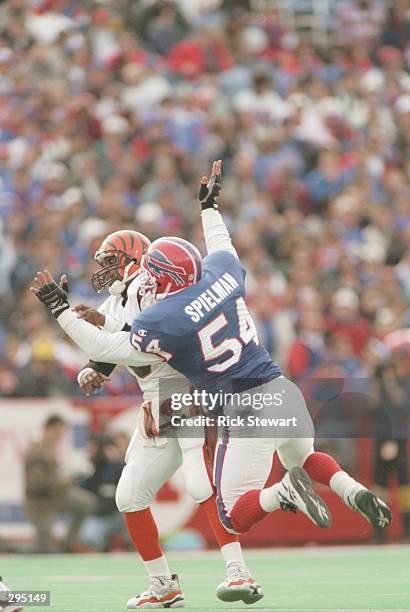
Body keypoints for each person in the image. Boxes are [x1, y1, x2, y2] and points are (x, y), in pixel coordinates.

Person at [31, 162, 391, 543]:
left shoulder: (166, 319)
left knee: (233, 514)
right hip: (280, 389)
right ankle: (351, 490)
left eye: (153, 273)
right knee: (302, 455)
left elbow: (105, 346)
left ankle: (282, 493)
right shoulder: (222, 274)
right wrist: (209, 208)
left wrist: (60, 311)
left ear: (164, 277)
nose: (147, 279)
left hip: (244, 408)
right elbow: (222, 245)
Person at [72, 227, 263, 605]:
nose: (105, 271)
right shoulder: (115, 302)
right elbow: (108, 354)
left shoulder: (159, 291)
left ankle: (238, 570)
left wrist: (84, 323)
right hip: (155, 405)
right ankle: (163, 584)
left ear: (135, 260)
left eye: (111, 262)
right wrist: (92, 370)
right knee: (129, 496)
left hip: (185, 395)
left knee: (198, 483)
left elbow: (145, 347)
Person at [23, 415, 97, 553]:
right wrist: (64, 480)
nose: (60, 436)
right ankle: (61, 546)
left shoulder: (48, 448)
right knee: (44, 549)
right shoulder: (38, 450)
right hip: (41, 504)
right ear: (49, 429)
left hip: (56, 497)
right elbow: (36, 485)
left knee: (86, 503)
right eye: (58, 432)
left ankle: (68, 543)